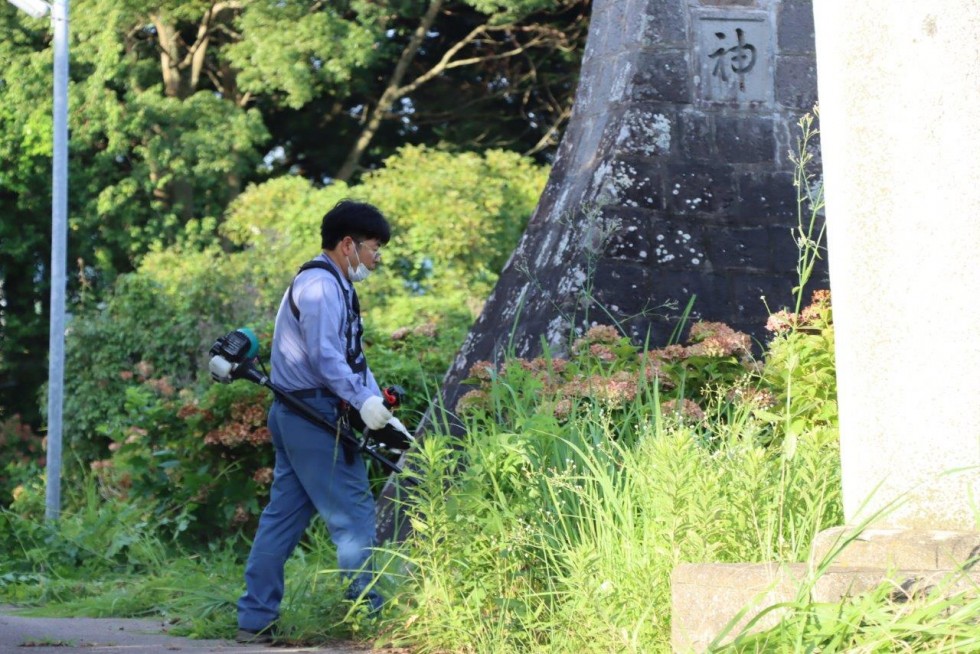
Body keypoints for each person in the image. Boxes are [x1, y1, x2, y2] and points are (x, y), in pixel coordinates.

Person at [236, 199, 407, 643]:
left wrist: (377, 408)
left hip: (301, 412)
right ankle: (369, 620)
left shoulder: (338, 285)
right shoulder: (318, 286)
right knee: (354, 515)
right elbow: (324, 356)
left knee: (284, 518)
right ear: (347, 244)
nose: (376, 258)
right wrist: (359, 400)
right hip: (311, 414)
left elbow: (351, 357)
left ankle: (255, 619)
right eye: (373, 247)